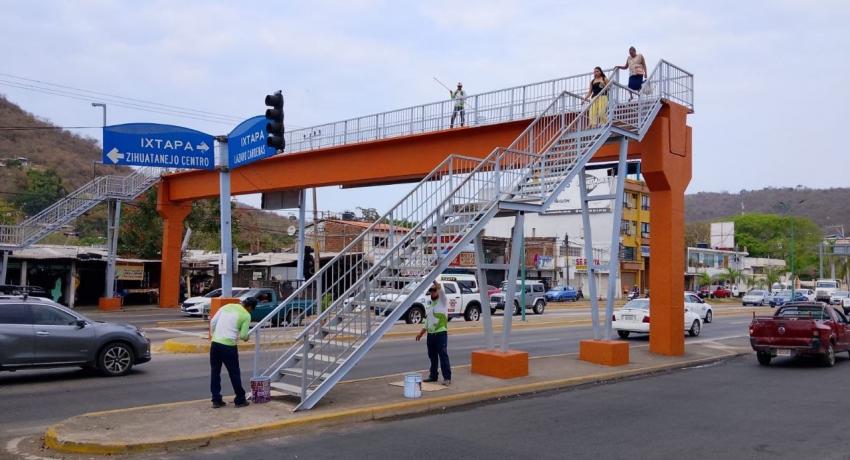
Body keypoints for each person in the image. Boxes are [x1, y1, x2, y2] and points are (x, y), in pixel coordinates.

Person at [209, 297, 256, 408]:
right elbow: (243, 336)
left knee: (215, 372)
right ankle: (240, 399)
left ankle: (216, 400)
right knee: (234, 373)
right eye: (252, 309)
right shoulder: (246, 315)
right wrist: (247, 337)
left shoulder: (227, 306)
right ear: (250, 307)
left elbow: (213, 322)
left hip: (215, 344)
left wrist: (214, 335)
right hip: (229, 346)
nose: (251, 311)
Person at [415, 280, 451, 385]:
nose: (432, 292)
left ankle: (447, 378)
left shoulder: (443, 301)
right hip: (430, 335)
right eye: (431, 291)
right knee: (432, 357)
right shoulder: (430, 305)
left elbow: (440, 289)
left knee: (443, 356)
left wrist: (433, 280)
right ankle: (433, 376)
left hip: (440, 333)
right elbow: (427, 322)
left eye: (434, 290)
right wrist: (421, 333)